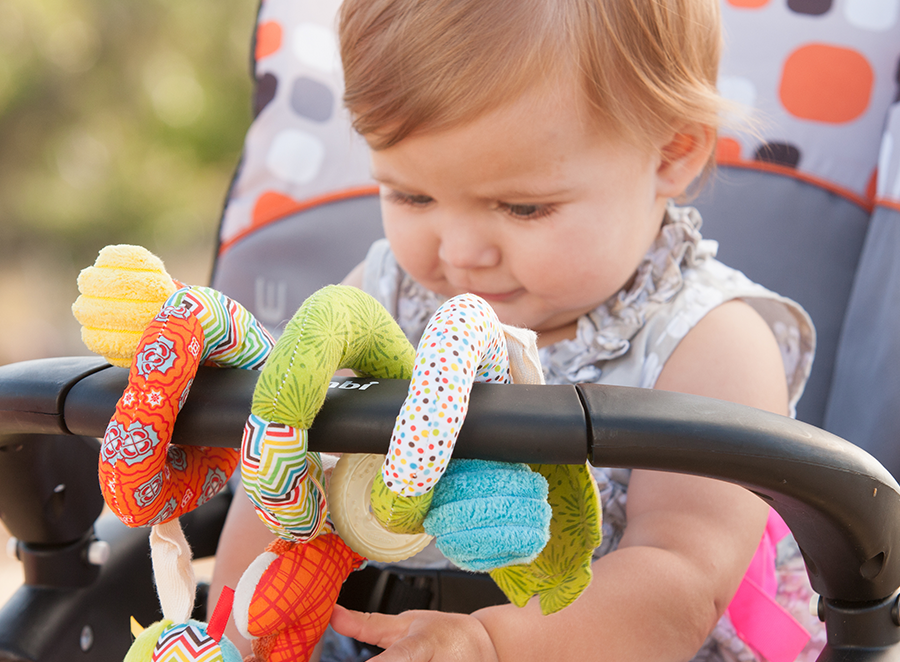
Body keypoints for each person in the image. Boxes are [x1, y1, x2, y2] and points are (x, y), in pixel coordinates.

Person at [210, 0, 822, 659]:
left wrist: (489, 644)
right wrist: (240, 639)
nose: (463, 251)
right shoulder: (380, 302)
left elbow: (680, 579)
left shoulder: (711, 342)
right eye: (413, 196)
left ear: (671, 154)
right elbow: (277, 487)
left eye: (522, 206)